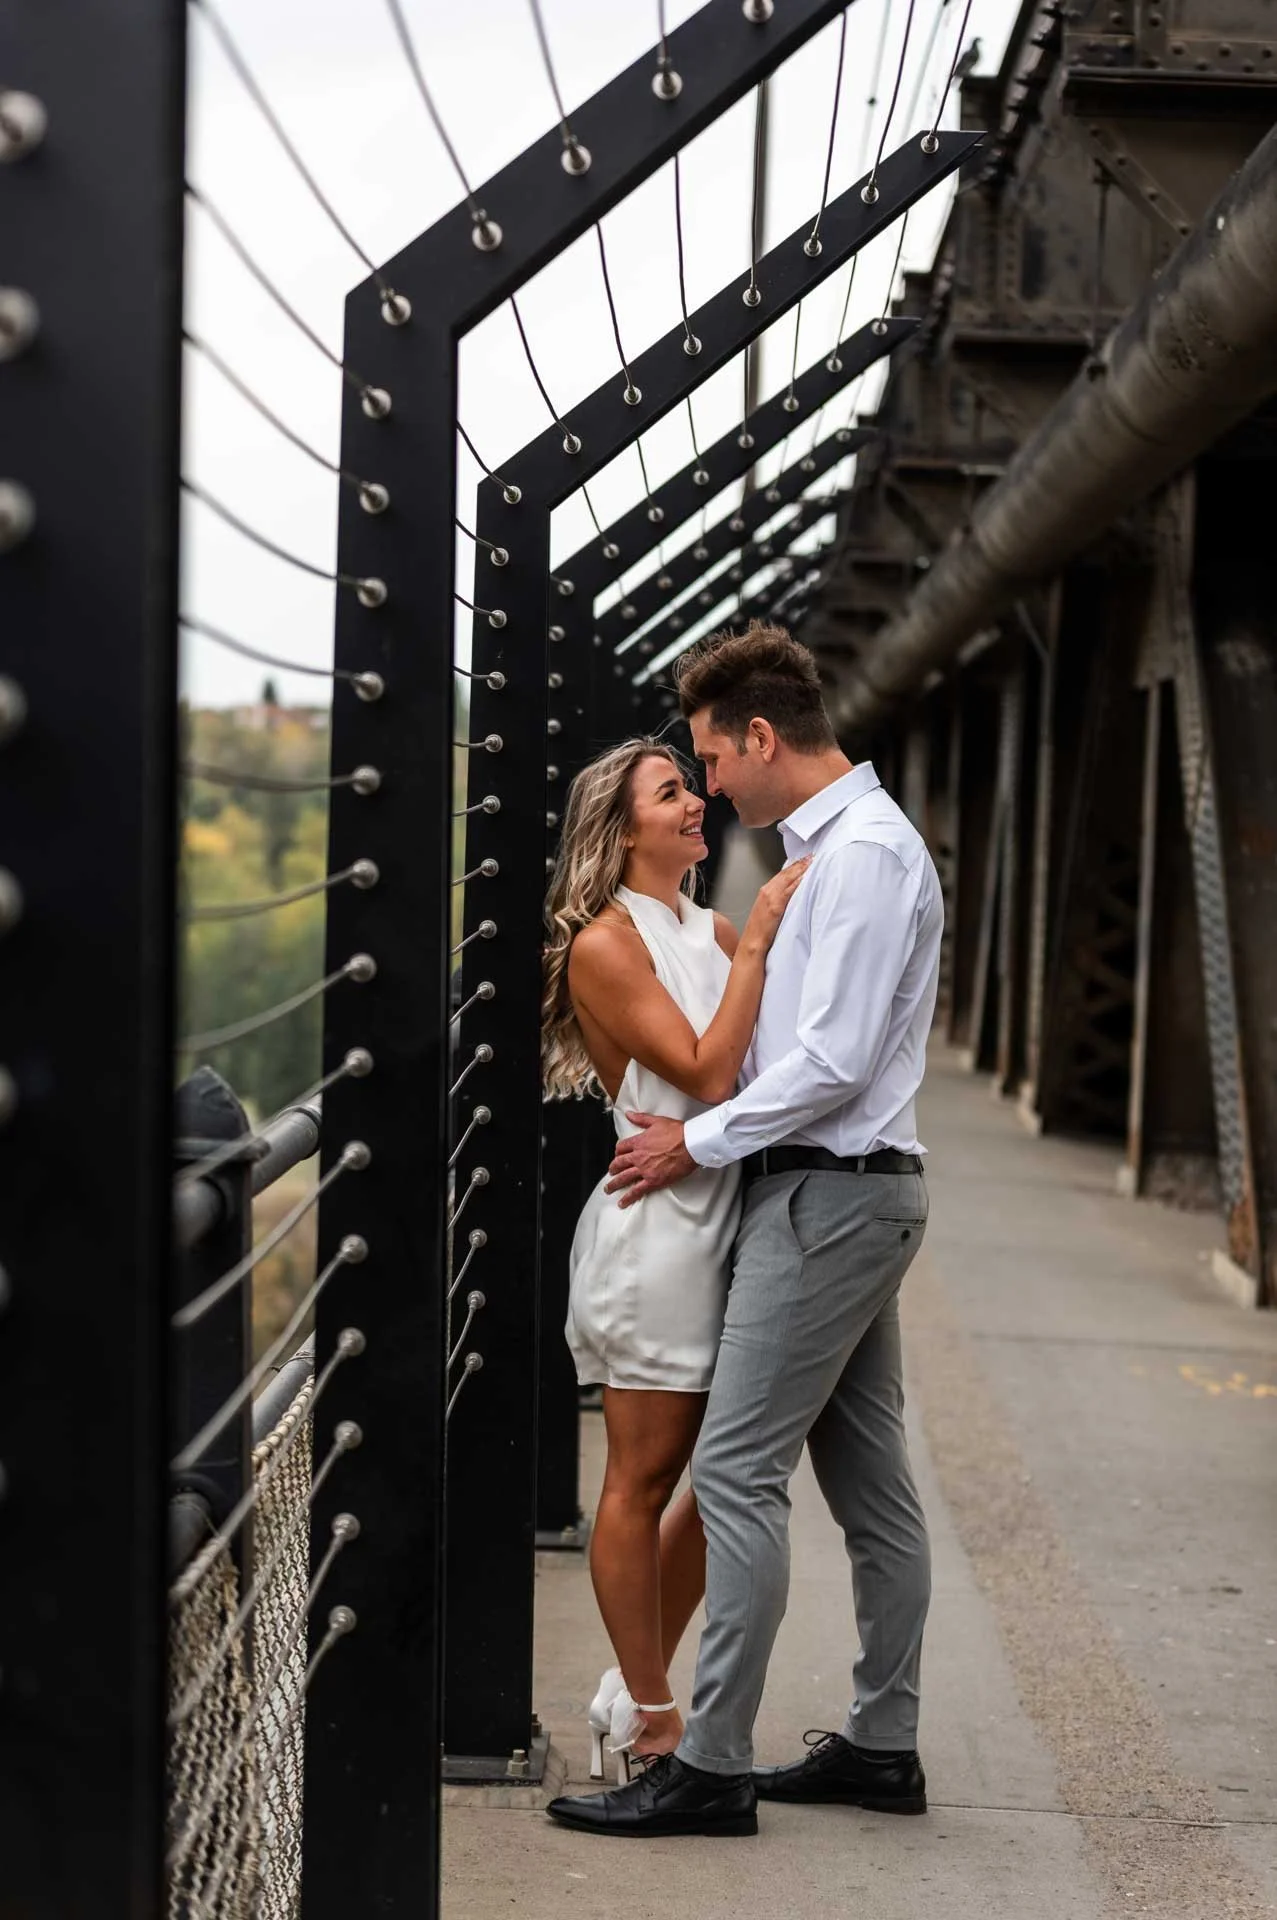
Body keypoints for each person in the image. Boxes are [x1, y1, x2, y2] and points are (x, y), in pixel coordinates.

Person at [547, 622, 943, 1839]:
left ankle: (707, 1764)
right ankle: (881, 1743)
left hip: (825, 1194)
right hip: (825, 1193)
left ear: (761, 738)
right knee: (868, 1483)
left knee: (728, 1473)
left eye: (710, 760)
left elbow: (823, 1062)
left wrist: (699, 1142)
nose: (710, 786)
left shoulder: (859, 858)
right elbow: (751, 1045)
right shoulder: (814, 862)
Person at [541, 736, 809, 1783]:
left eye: (689, 787)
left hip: (722, 1218)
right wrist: (756, 953)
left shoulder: (710, 924)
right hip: (653, 1236)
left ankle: (623, 1686)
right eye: (670, 793)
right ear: (621, 831)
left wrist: (746, 949)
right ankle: (654, 1711)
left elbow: (761, 1074)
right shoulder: (604, 945)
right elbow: (702, 1069)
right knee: (640, 1480)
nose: (696, 802)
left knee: (730, 1473)